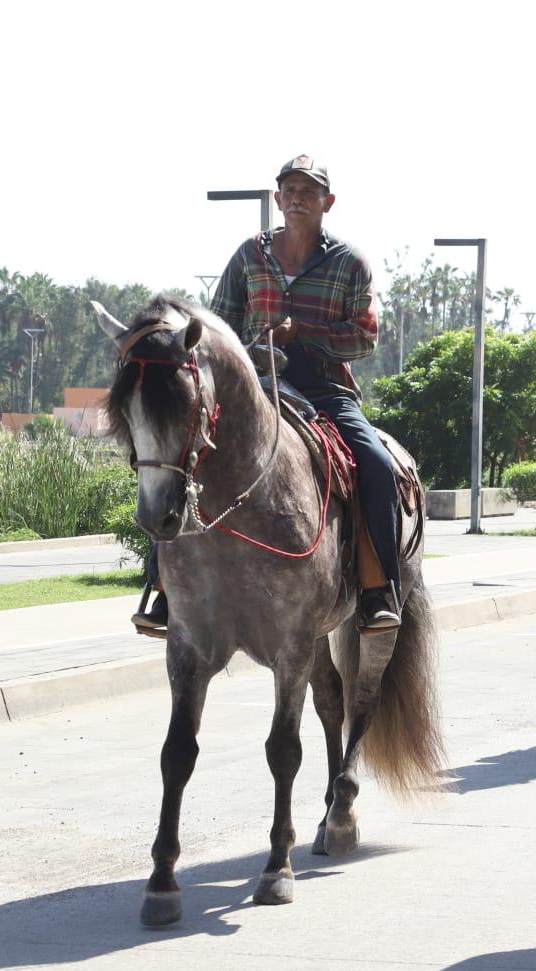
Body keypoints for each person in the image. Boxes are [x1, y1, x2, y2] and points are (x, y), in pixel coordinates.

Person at [131, 155, 399, 635]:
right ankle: (164, 589)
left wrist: (304, 333)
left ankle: (378, 587)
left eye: (309, 192)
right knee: (183, 452)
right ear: (277, 199)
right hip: (253, 386)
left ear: (328, 202)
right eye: (289, 191)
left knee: (376, 463)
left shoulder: (350, 262)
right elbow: (218, 326)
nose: (297, 198)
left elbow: (365, 337)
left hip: (324, 388)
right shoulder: (248, 257)